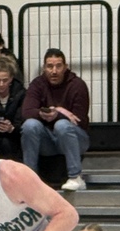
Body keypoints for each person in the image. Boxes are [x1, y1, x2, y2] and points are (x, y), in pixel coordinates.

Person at [20, 48, 91, 191]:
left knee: (62, 125)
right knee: (29, 125)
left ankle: (75, 176)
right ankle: (30, 179)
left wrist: (57, 114)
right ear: (44, 68)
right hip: (48, 139)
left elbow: (78, 120)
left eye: (58, 66)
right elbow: (26, 112)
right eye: (50, 66)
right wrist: (57, 110)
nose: (54, 71)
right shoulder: (37, 84)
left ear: (65, 67)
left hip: (76, 139)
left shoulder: (77, 85)